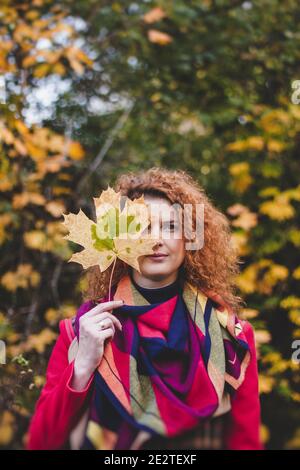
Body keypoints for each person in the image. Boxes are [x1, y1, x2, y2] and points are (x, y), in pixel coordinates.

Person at [26, 168, 263, 450]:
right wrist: (82, 366)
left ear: (190, 239)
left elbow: (244, 442)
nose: (157, 239)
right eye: (142, 227)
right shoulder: (86, 330)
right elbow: (42, 441)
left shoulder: (230, 336)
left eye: (171, 227)